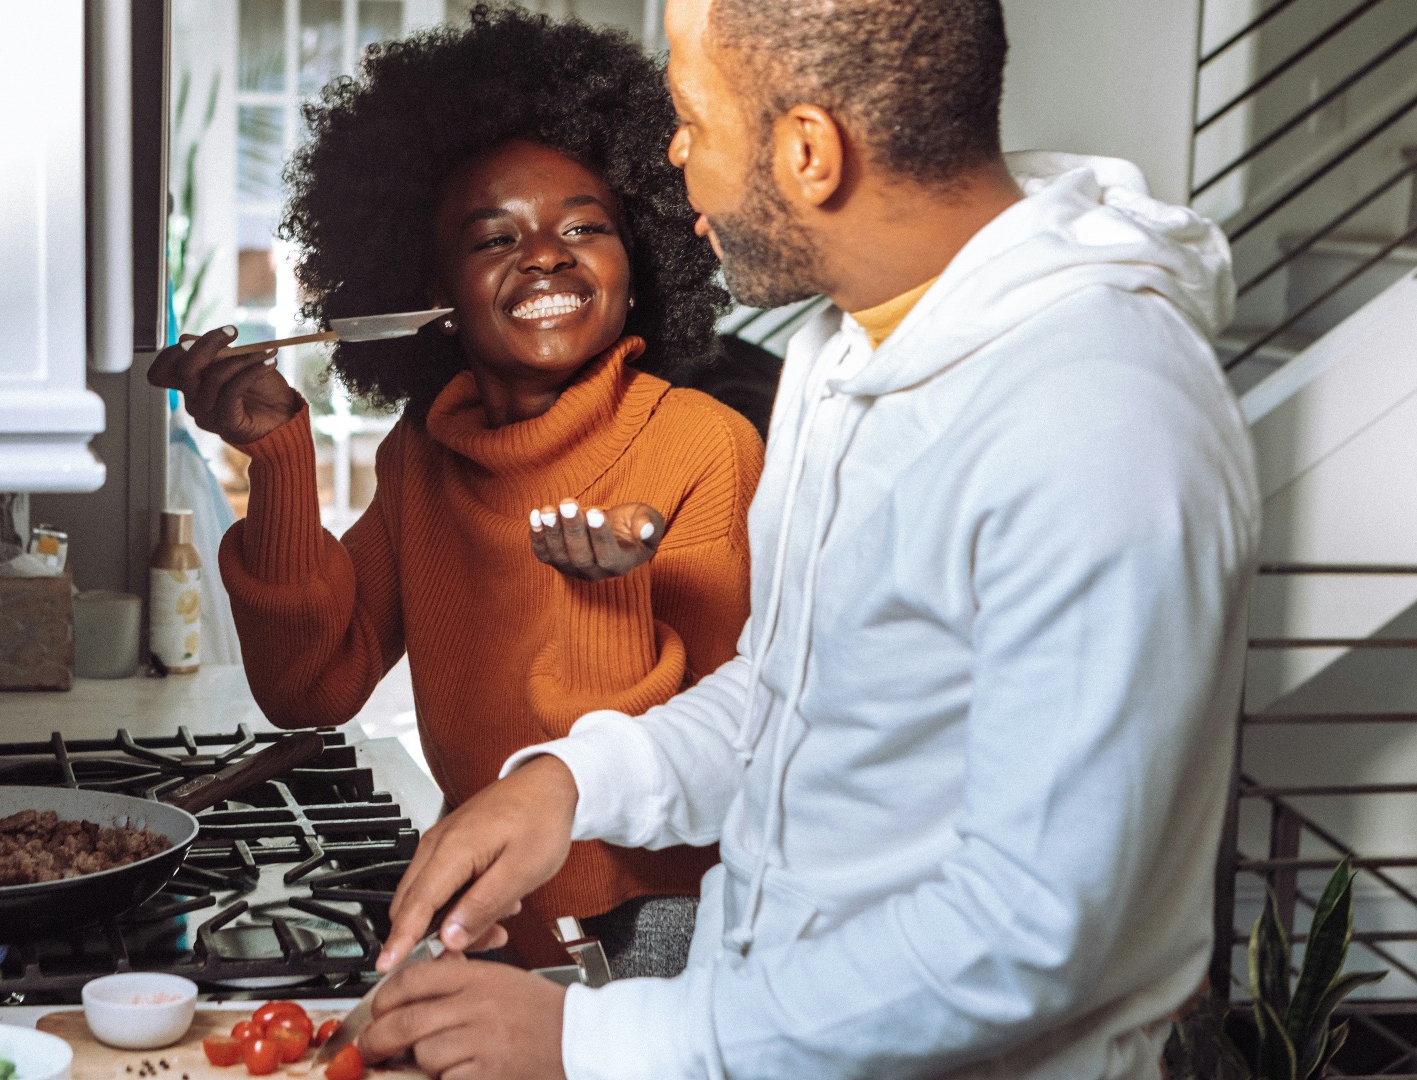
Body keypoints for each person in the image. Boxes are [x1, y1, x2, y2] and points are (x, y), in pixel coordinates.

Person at [357, 0, 1261, 1078]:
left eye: (692, 116)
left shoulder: (1100, 418)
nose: (674, 154)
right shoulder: (846, 354)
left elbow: (1031, 930)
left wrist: (598, 1041)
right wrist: (571, 782)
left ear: (807, 153)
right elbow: (801, 694)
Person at [147, 7, 764, 970]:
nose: (546, 253)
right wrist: (277, 460)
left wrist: (604, 596)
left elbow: (732, 761)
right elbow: (311, 688)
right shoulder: (424, 458)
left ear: (639, 266)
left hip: (655, 956)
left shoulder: (704, 447)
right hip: (484, 936)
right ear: (431, 294)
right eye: (493, 238)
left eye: (585, 226)